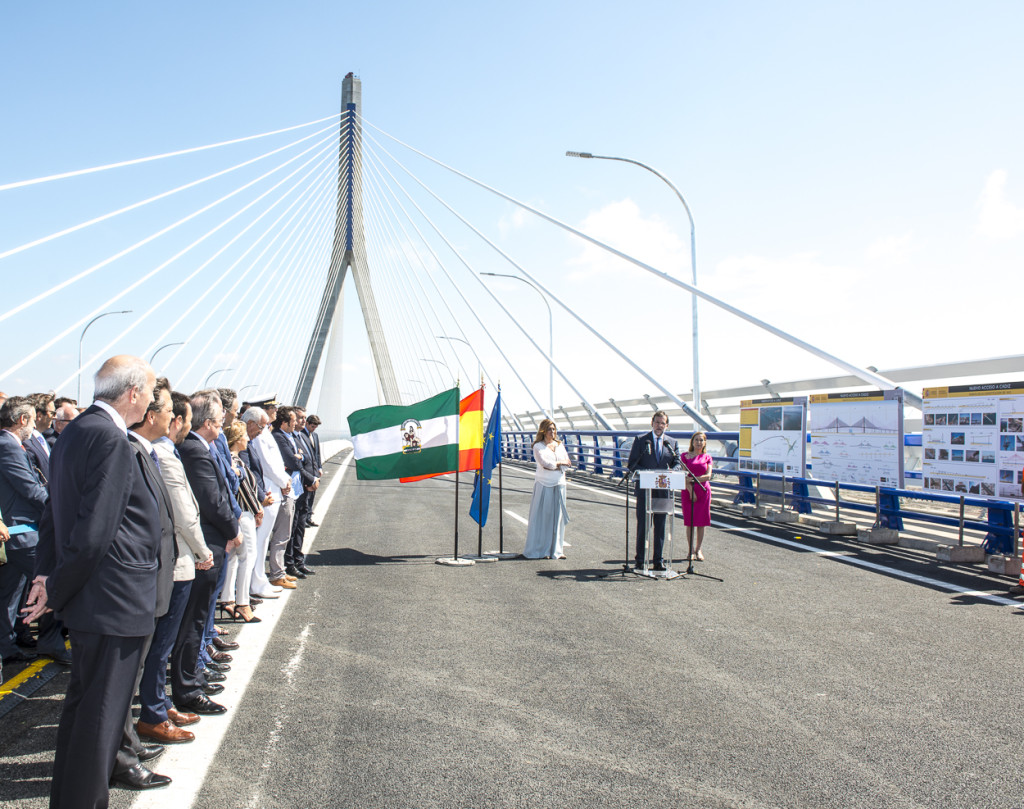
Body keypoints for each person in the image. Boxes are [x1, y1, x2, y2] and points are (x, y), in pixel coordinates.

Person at [21, 355, 162, 809]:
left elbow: (54, 516)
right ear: (134, 393)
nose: (155, 400)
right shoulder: (111, 440)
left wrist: (46, 576)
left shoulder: (76, 432)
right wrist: (55, 587)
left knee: (85, 717)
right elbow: (93, 532)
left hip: (94, 601)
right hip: (113, 601)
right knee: (100, 720)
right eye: (152, 391)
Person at [626, 411, 680, 571]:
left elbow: (677, 461)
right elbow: (632, 464)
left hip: (663, 491)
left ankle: (658, 560)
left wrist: (674, 470)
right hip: (645, 490)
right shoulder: (641, 440)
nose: (659, 426)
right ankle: (640, 560)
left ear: (667, 425)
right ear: (652, 423)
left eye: (662, 423)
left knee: (661, 526)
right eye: (657, 422)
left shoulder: (672, 442)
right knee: (643, 525)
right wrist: (648, 472)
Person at [521, 419, 572, 559]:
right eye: (550, 429)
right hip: (544, 484)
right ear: (543, 431)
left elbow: (568, 462)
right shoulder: (538, 446)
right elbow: (545, 464)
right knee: (543, 518)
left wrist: (558, 464)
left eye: (554, 429)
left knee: (558, 518)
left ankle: (556, 550)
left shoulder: (560, 445)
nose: (553, 432)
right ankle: (541, 550)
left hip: (560, 483)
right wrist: (560, 464)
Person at [680, 431, 713, 561]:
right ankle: (690, 550)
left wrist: (693, 479)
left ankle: (698, 549)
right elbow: (683, 476)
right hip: (688, 491)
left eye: (701, 440)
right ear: (692, 442)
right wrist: (690, 489)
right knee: (690, 522)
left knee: (701, 522)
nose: (699, 442)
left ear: (704, 443)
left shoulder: (707, 457)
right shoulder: (684, 456)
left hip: (703, 491)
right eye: (696, 440)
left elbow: (708, 476)